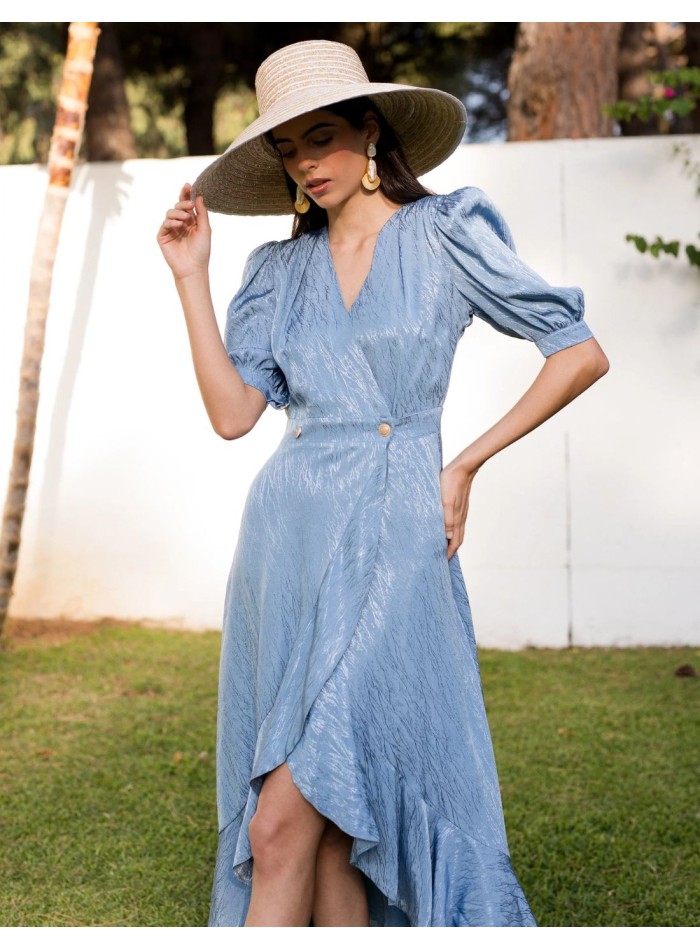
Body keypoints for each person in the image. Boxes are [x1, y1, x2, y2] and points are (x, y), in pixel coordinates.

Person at [156, 39, 609, 928]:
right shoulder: (277, 272)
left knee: (284, 821)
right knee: (325, 830)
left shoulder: (446, 232)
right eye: (287, 149)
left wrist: (465, 460)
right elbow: (234, 414)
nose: (306, 163)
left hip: (400, 534)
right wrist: (190, 278)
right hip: (288, 541)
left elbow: (579, 353)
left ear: (371, 131)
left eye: (320, 138)